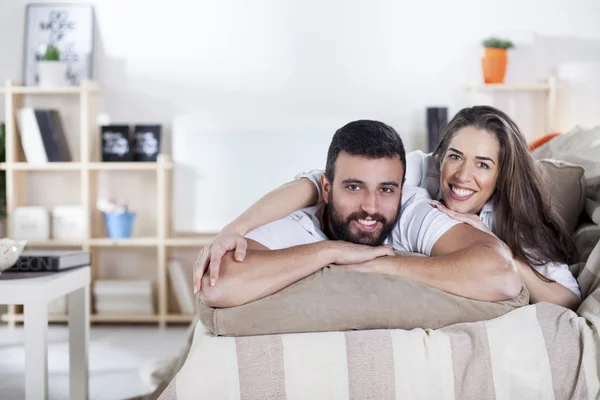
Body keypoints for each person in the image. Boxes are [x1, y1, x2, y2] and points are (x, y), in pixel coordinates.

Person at [195, 106, 581, 311]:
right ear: (439, 156)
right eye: (455, 157)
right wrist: (236, 228)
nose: (463, 176)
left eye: (483, 164)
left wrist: (496, 244)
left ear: (501, 175)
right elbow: (317, 181)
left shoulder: (515, 218)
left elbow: (563, 297)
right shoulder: (419, 175)